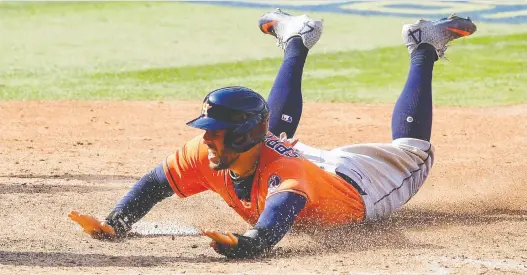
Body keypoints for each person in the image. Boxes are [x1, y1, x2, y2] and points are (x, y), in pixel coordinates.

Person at [69, 9, 477, 258]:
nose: (207, 139)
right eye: (207, 131)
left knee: (414, 149)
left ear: (245, 136)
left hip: (359, 186)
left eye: (217, 132)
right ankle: (296, 37)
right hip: (300, 165)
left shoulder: (287, 176)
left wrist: (244, 245)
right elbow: (155, 183)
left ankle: (424, 45)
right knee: (276, 131)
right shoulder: (207, 151)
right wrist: (116, 222)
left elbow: (268, 233)